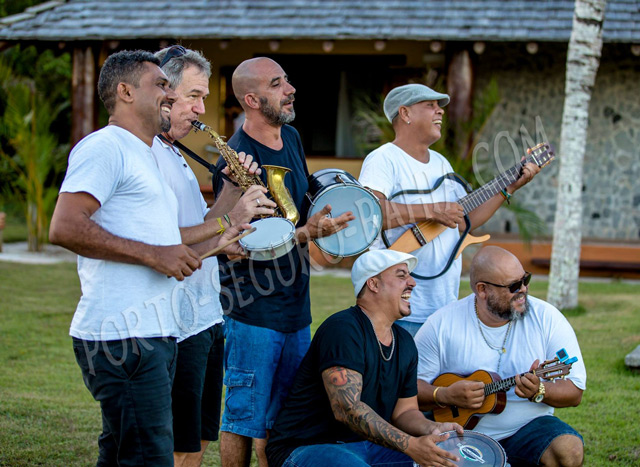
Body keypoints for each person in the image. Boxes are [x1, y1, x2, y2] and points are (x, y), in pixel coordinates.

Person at [49, 49, 210, 466]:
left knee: (123, 452)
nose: (171, 96)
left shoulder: (146, 153)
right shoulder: (105, 147)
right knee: (147, 456)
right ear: (124, 91)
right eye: (161, 86)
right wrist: (154, 255)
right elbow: (64, 226)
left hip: (153, 332)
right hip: (123, 334)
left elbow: (165, 243)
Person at [212, 57, 353, 467]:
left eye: (287, 80)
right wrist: (310, 234)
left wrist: (337, 216)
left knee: (283, 417)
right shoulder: (237, 157)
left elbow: (303, 202)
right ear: (252, 99)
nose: (290, 89)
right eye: (277, 84)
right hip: (252, 310)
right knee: (243, 417)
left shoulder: (289, 137)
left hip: (296, 306)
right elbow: (235, 236)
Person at [153, 45, 276, 467]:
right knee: (177, 446)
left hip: (205, 314)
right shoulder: (148, 154)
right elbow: (168, 242)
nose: (202, 109)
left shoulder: (176, 153)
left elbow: (203, 227)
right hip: (175, 322)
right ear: (162, 92)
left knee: (198, 440)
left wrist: (232, 193)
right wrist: (232, 220)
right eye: (194, 96)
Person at [358, 83, 541, 336]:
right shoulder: (383, 159)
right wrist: (432, 210)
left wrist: (509, 188)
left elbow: (464, 221)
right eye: (430, 105)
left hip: (441, 302)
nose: (440, 112)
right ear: (405, 114)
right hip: (398, 308)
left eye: (439, 106)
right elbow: (370, 215)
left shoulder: (441, 163)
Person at [265, 249, 464, 467]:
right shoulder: (343, 329)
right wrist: (410, 445)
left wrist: (431, 429)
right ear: (373, 284)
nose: (412, 283)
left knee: (447, 462)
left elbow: (405, 411)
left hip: (367, 446)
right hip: (308, 446)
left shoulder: (405, 343)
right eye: (401, 275)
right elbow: (346, 409)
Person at [414, 246, 586, 466]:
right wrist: (444, 395)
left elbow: (575, 392)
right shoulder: (442, 324)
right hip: (461, 433)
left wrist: (540, 390)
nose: (523, 290)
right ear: (483, 290)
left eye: (525, 280)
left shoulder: (547, 318)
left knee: (568, 450)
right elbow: (409, 389)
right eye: (513, 286)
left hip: (528, 426)